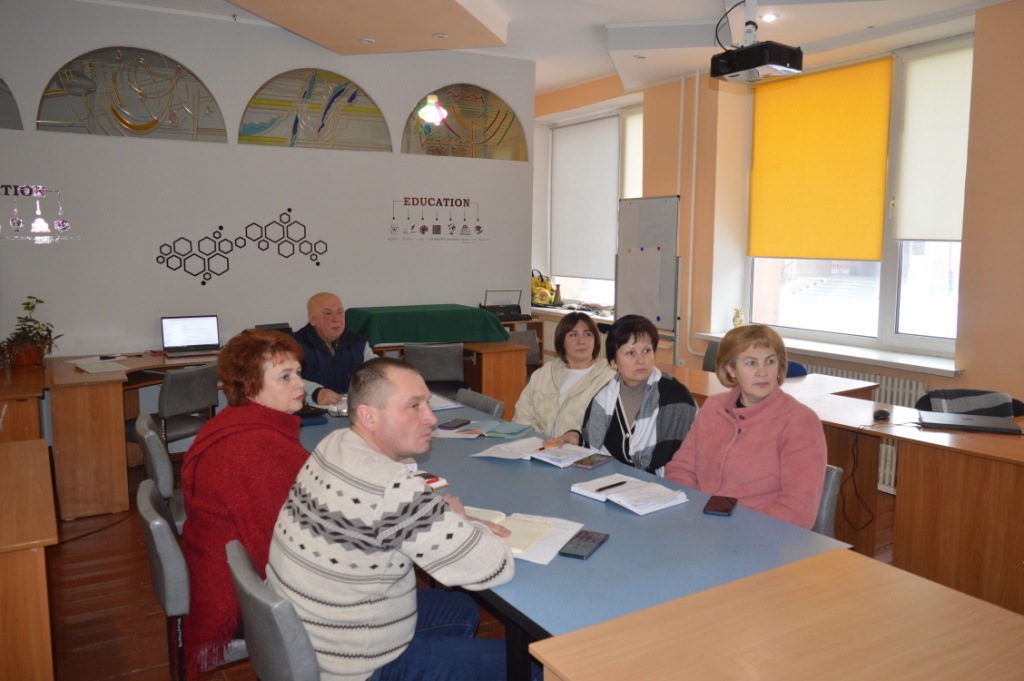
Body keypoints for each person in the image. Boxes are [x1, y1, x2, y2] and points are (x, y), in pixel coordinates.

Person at [267, 358, 515, 681]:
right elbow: (494, 566)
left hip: (308, 635)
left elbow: (387, 515)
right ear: (369, 416)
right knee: (530, 665)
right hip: (353, 667)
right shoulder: (392, 489)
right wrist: (465, 521)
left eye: (427, 403)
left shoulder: (332, 444)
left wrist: (432, 513)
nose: (431, 418)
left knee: (462, 609)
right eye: (414, 406)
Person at [181, 329, 310, 677]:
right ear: (251, 387)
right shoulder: (253, 447)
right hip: (238, 600)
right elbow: (280, 545)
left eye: (298, 372)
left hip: (220, 575)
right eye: (285, 377)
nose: (300, 383)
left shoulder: (239, 422)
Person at [665, 324, 827, 529]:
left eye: (770, 361)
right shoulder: (714, 407)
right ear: (731, 370)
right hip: (701, 527)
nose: (763, 372)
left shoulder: (799, 422)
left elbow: (798, 509)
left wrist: (735, 531)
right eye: (751, 363)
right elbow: (681, 469)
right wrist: (690, 515)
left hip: (762, 536)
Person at [545, 315, 698, 476]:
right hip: (614, 482)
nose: (641, 360)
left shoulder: (675, 399)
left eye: (646, 350)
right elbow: (594, 444)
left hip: (664, 485)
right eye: (630, 353)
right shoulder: (604, 398)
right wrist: (576, 437)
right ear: (613, 362)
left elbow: (682, 464)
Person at [512, 312, 616, 437]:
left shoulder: (609, 379)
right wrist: (536, 442)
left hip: (579, 448)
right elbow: (523, 414)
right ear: (562, 341)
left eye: (587, 334)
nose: (581, 341)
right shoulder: (544, 373)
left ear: (595, 340)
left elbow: (607, 429)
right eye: (573, 335)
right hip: (538, 445)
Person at [292, 292, 376, 405]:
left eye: (340, 313)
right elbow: (287, 379)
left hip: (352, 407)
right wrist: (315, 392)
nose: (336, 319)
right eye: (328, 313)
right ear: (312, 319)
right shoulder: (293, 344)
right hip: (311, 408)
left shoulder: (358, 342)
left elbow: (377, 370)